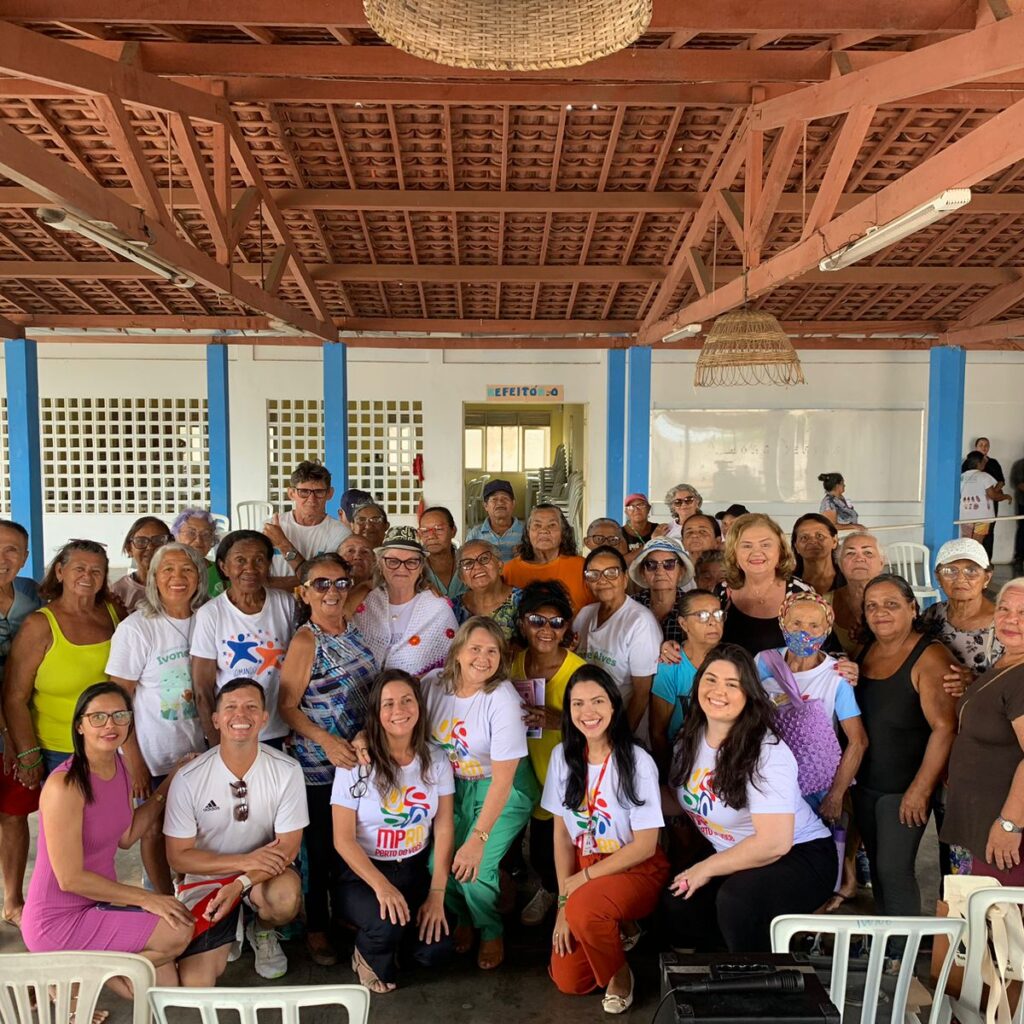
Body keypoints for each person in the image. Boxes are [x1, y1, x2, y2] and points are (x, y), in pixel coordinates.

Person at [664, 645, 837, 952]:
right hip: (735, 852)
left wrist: (704, 868)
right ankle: (727, 966)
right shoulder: (688, 739)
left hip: (800, 854)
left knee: (736, 901)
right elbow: (681, 800)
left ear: (748, 695)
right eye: (711, 679)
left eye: (733, 684)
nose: (719, 691)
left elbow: (774, 844)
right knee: (677, 903)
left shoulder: (766, 752)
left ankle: (760, 982)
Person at [20, 683, 194, 983]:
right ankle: (71, 979)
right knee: (178, 932)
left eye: (119, 715)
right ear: (80, 725)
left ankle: (78, 977)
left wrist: (170, 781)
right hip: (57, 920)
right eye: (97, 717)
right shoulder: (65, 785)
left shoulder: (121, 766)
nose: (110, 724)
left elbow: (126, 836)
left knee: (164, 985)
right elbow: (70, 878)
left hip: (97, 907)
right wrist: (145, 898)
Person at [165, 679, 307, 985]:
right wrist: (243, 863)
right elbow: (179, 858)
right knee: (194, 983)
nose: (240, 714)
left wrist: (241, 881)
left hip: (265, 874)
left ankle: (263, 930)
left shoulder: (287, 770)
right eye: (230, 707)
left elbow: (288, 848)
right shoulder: (189, 777)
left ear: (264, 718)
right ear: (216, 719)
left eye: (251, 707)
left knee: (283, 899)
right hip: (210, 877)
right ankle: (230, 926)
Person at [546, 665, 669, 1012]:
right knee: (571, 981)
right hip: (585, 868)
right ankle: (614, 926)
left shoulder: (637, 761)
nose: (588, 713)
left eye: (598, 701)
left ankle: (619, 973)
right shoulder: (562, 758)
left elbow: (645, 845)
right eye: (578, 704)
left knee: (585, 909)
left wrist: (578, 886)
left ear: (614, 706)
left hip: (635, 868)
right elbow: (561, 834)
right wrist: (562, 904)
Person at [277, 552, 378, 966]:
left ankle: (347, 917)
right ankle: (317, 926)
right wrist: (327, 741)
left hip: (359, 761)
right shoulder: (307, 639)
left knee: (351, 846)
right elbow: (286, 706)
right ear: (303, 592)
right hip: (320, 767)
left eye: (339, 583)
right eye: (321, 584)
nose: (332, 591)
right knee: (319, 852)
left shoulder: (354, 629)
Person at [420, 618, 538, 970]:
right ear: (457, 652)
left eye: (492, 651)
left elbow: (503, 781)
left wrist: (477, 839)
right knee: (436, 862)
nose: (483, 658)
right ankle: (464, 918)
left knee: (475, 867)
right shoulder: (432, 686)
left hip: (503, 787)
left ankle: (490, 929)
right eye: (475, 648)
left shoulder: (502, 700)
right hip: (452, 786)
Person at [332, 670, 455, 992]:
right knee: (386, 923)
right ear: (376, 712)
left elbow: (443, 826)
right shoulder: (357, 763)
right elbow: (342, 839)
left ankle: (396, 937)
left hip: (415, 868)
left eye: (406, 700)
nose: (398, 710)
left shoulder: (437, 759)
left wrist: (437, 894)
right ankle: (365, 950)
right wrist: (381, 886)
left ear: (419, 706)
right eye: (388, 704)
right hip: (363, 873)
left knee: (435, 951)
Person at [106, 541, 209, 895]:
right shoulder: (138, 628)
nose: (177, 578)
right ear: (153, 577)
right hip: (152, 754)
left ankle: (195, 901)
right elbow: (118, 700)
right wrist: (133, 759)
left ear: (200, 576)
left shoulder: (208, 618)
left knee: (198, 829)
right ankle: (161, 903)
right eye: (168, 570)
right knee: (152, 829)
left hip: (201, 750)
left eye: (187, 570)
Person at [854, 574, 956, 920]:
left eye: (891, 604)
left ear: (913, 608)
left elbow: (945, 728)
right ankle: (889, 950)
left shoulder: (930, 657)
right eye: (872, 606)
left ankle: (903, 959)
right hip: (866, 785)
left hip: (903, 789)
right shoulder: (865, 650)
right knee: (880, 875)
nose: (881, 612)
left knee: (894, 871)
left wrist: (921, 789)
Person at [4, 539, 119, 778]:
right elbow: (15, 696)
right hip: (57, 751)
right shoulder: (39, 625)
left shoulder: (115, 613)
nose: (87, 576)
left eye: (96, 571)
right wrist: (28, 752)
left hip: (110, 746)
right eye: (79, 568)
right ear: (59, 572)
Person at [511, 581, 586, 926]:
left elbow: (603, 723)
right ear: (523, 623)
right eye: (537, 621)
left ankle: (558, 894)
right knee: (528, 847)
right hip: (522, 773)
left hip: (565, 775)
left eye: (556, 623)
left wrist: (561, 719)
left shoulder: (580, 672)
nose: (546, 630)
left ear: (566, 628)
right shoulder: (512, 664)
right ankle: (543, 887)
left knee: (555, 846)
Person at [755, 592, 867, 822]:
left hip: (817, 784)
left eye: (814, 625)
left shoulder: (837, 676)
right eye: (796, 623)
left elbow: (858, 741)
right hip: (770, 779)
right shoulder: (763, 663)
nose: (804, 631)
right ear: (782, 623)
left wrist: (836, 796)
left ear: (827, 630)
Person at [942, 579, 1024, 882]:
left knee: (998, 922)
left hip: (1002, 831)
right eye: (1004, 609)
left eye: (1023, 612)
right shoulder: (1005, 662)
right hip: (976, 819)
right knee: (960, 914)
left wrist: (1010, 824)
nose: (1010, 619)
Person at [190, 531, 295, 746]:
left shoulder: (285, 604)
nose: (250, 568)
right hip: (233, 733)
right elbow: (202, 689)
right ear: (223, 567)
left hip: (278, 730)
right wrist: (217, 741)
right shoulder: (211, 613)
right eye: (240, 560)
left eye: (259, 560)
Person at [0, 520, 42, 927]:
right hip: (8, 728)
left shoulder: (30, 593)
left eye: (13, 550)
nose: (3, 558)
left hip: (19, 724)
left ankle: (13, 900)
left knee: (14, 815)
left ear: (25, 558)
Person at [573, 547, 662, 736]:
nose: (602, 580)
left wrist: (619, 740)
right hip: (587, 728)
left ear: (625, 578)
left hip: (621, 731)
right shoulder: (584, 615)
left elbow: (641, 693)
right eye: (593, 574)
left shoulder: (640, 622)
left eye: (611, 572)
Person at [352, 536, 459, 677]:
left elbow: (452, 667)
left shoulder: (438, 608)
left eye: (411, 562)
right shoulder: (363, 603)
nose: (402, 568)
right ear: (380, 564)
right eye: (392, 561)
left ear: (421, 567)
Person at [715, 513, 816, 656]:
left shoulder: (800, 592)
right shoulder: (722, 591)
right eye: (747, 546)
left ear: (780, 551)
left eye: (765, 545)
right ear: (734, 553)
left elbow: (824, 646)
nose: (756, 552)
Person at [650, 590, 725, 774]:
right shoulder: (671, 666)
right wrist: (670, 777)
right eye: (702, 615)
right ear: (683, 623)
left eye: (718, 614)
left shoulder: (731, 663)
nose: (712, 622)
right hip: (680, 764)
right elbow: (658, 731)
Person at [263, 460, 350, 589]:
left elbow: (323, 582)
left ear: (330, 493)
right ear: (291, 493)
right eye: (304, 492)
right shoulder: (271, 526)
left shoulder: (340, 533)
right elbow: (257, 577)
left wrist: (282, 543)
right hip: (274, 605)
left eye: (319, 492)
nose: (311, 499)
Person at [921, 538, 1003, 674]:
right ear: (938, 578)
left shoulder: (1004, 623)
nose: (960, 579)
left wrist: (972, 682)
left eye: (971, 571)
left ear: (987, 578)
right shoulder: (933, 614)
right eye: (950, 571)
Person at [503, 503, 591, 613]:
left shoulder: (581, 566)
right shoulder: (510, 570)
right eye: (537, 525)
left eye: (552, 525)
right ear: (528, 532)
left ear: (563, 532)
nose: (544, 530)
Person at [627, 537, 695, 647]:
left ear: (681, 572)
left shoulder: (694, 607)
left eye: (669, 564)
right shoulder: (630, 605)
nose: (660, 571)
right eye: (651, 565)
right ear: (643, 573)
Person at [830, 531, 887, 656]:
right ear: (840, 563)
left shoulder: (897, 600)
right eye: (850, 553)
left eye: (868, 553)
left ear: (881, 563)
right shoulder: (824, 603)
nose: (859, 558)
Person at [451, 540, 520, 639]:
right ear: (462, 578)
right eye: (468, 563)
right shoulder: (454, 608)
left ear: (500, 566)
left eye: (484, 559)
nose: (477, 567)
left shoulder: (523, 602)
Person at [110, 516, 173, 613]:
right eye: (141, 541)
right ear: (129, 549)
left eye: (159, 540)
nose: (150, 547)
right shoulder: (119, 591)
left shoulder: (180, 585)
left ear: (171, 545)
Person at [963, 438, 1007, 561]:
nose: (984, 447)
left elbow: (1001, 481)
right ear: (976, 447)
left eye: (986, 445)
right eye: (981, 445)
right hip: (970, 505)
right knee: (969, 534)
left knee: (988, 531)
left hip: (989, 503)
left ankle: (986, 560)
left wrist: (994, 493)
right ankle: (971, 560)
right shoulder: (967, 463)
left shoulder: (993, 463)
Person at [466, 479, 524, 563]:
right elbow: (466, 562)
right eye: (494, 499)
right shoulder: (475, 534)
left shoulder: (527, 532)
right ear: (485, 505)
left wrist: (529, 555)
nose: (500, 502)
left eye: (505, 498)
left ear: (513, 504)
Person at [172, 508, 224, 597]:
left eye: (206, 534)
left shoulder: (223, 572)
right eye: (191, 533)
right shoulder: (166, 572)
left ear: (213, 540)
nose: (198, 540)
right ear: (176, 536)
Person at [419, 506, 467, 601]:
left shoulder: (469, 561)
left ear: (453, 531)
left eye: (439, 529)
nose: (431, 536)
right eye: (425, 531)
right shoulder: (414, 567)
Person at [960, 450, 1009, 543]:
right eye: (983, 461)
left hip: (965, 515)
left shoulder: (962, 477)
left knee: (966, 542)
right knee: (977, 543)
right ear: (979, 463)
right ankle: (976, 558)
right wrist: (1006, 496)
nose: (985, 464)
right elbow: (993, 495)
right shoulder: (984, 476)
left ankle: (966, 557)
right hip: (982, 517)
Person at [791, 513, 844, 597]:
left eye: (819, 536)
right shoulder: (786, 585)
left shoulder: (849, 580)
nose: (812, 541)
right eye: (804, 537)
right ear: (796, 546)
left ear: (834, 541)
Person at [338, 533, 376, 612]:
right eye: (350, 551)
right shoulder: (328, 589)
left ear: (374, 561)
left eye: (365, 552)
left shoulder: (381, 593)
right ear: (338, 558)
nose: (357, 557)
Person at [1011, 454, 1024, 575]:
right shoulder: (1020, 465)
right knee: (1023, 530)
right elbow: (1020, 485)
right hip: (1023, 503)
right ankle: (1019, 557)